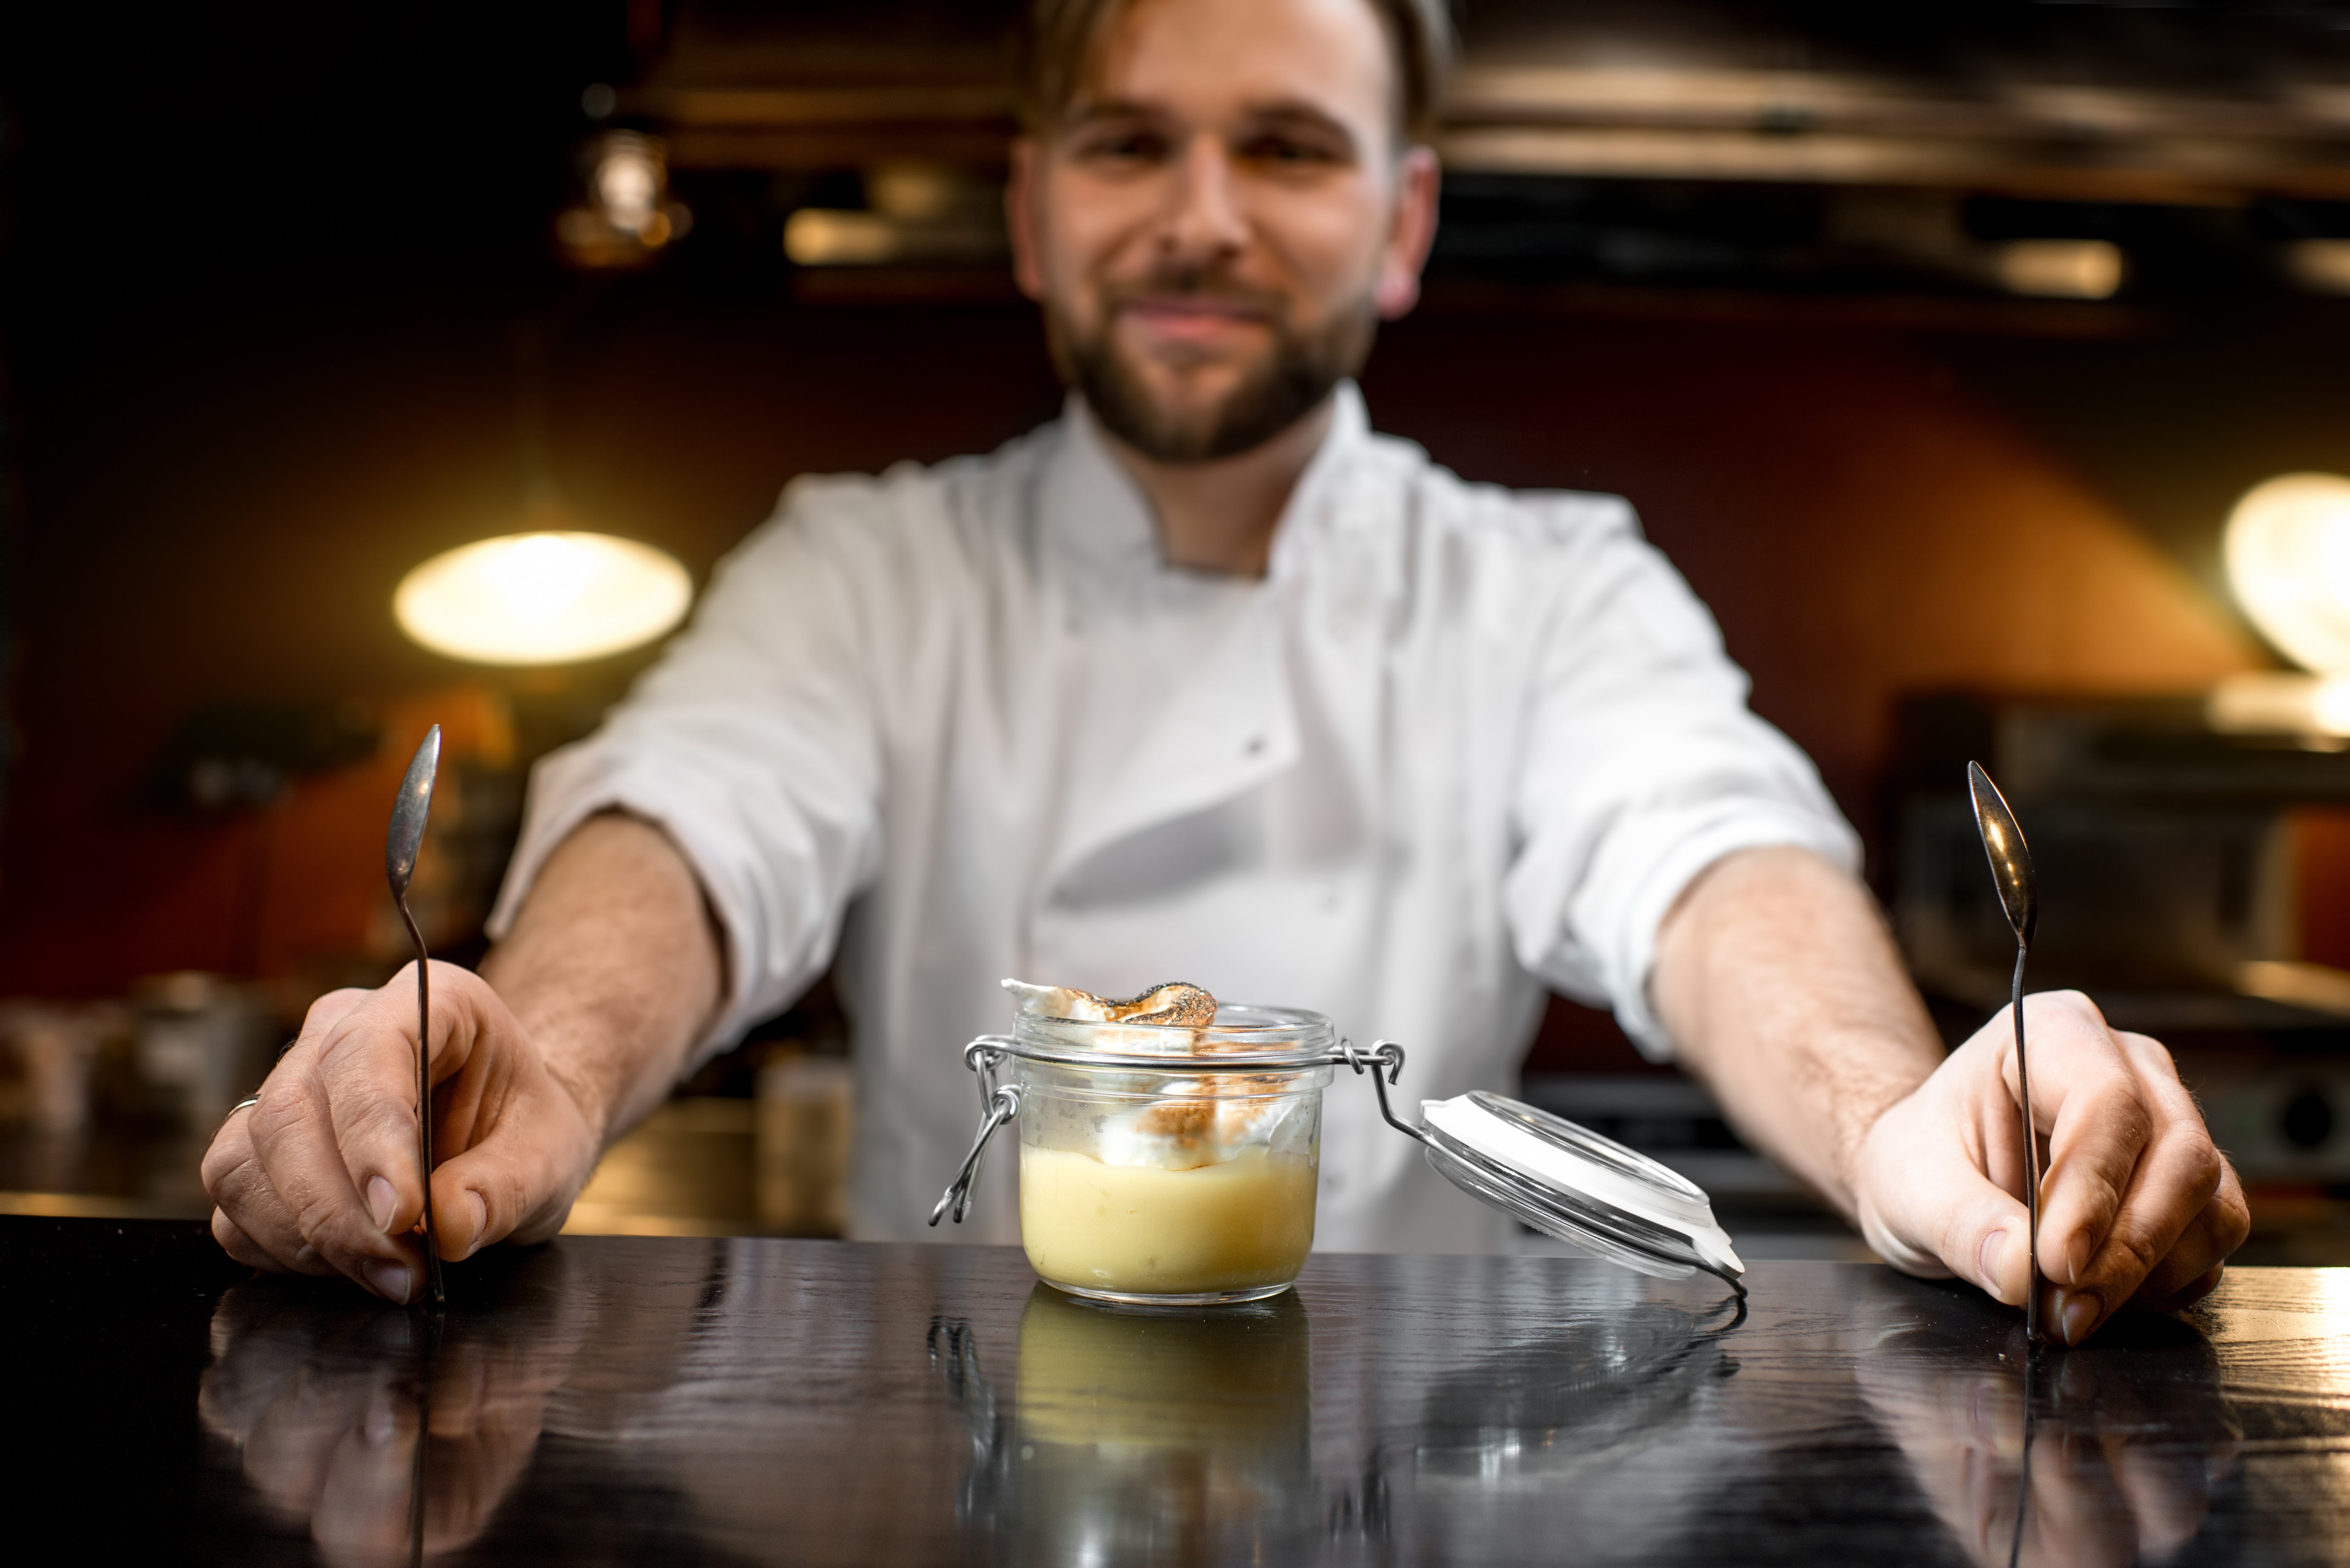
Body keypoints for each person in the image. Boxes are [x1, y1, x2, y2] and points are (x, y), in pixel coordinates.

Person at [202, 0, 2247, 1342]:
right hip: (947, 1481)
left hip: (1412, 1482)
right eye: (1125, 146)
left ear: (1402, 223)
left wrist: (1901, 1117)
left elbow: (1707, 854)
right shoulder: (869, 563)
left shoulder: (1543, 586)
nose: (1200, 221)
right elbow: (697, 819)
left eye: (1284, 149)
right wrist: (542, 1060)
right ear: (1028, 211)